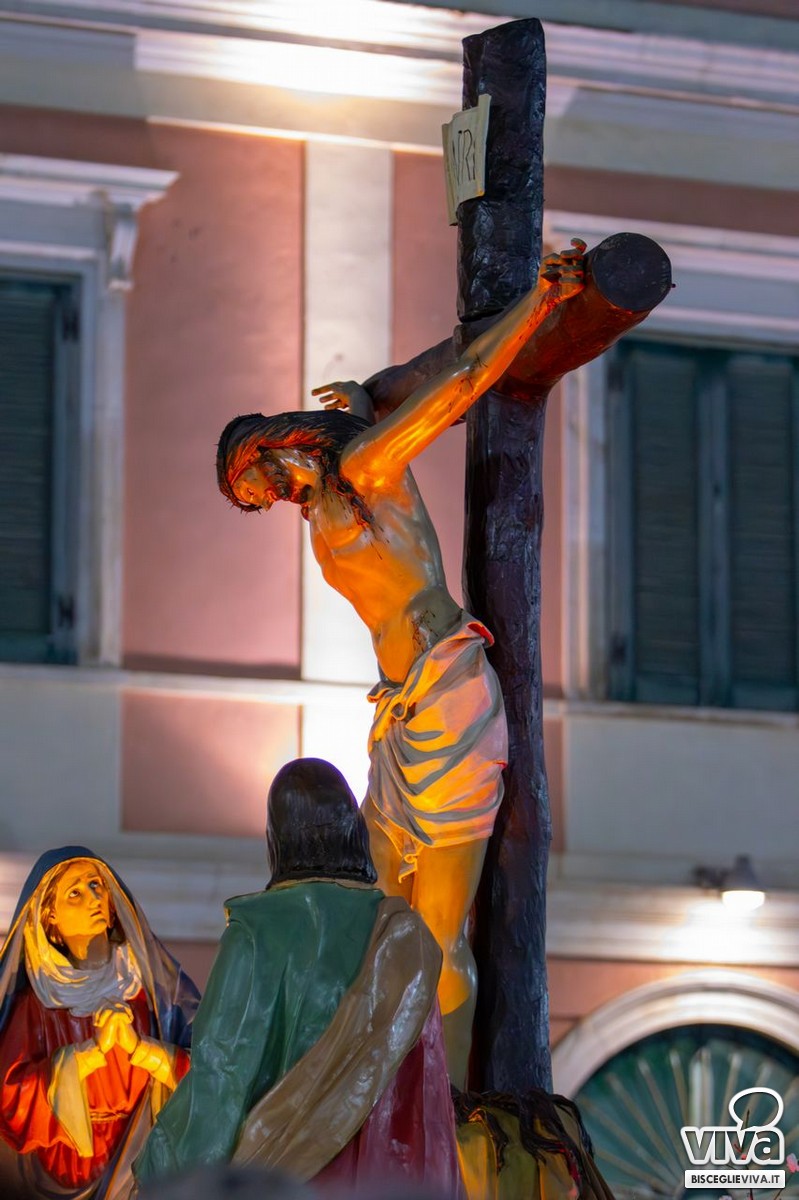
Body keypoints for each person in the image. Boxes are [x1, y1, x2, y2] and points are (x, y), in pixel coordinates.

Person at [216, 242, 586, 1082]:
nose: (273, 500)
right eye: (260, 501)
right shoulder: (329, 493)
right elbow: (356, 423)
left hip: (449, 697)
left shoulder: (367, 467)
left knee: (439, 933)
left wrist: (536, 302)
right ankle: (386, 1089)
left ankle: (448, 1107)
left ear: (273, 449)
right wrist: (352, 401)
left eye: (263, 483)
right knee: (382, 923)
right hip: (399, 711)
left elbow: (460, 384)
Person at [133, 758, 462, 1196]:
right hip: (387, 1181)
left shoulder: (258, 932)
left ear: (278, 839)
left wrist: (161, 1171)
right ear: (353, 831)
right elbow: (427, 1098)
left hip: (282, 1181)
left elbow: (222, 1073)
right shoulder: (407, 940)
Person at [0, 846, 199, 1199]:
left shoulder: (152, 992)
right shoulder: (38, 1003)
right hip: (60, 1171)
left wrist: (143, 1050)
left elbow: (211, 1069)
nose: (93, 897)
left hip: (140, 1161)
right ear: (50, 917)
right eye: (74, 893)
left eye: (96, 885)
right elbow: (11, 1099)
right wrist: (90, 1054)